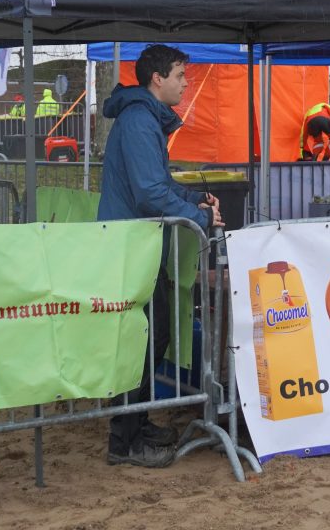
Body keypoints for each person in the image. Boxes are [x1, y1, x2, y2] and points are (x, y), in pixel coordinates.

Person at [98, 44, 224, 468]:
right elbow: (149, 193)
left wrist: (193, 200)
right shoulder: (138, 120)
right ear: (158, 79)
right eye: (180, 75)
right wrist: (199, 217)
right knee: (144, 340)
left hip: (139, 244)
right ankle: (124, 440)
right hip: (130, 246)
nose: (186, 84)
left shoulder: (145, 118)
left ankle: (136, 422)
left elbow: (158, 183)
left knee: (156, 334)